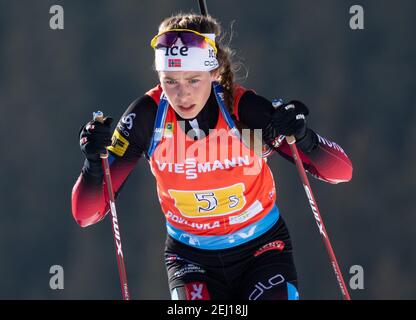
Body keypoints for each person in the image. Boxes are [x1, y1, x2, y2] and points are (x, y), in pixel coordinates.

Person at [71, 13, 353, 300]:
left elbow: (341, 172)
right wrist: (94, 163)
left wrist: (304, 137)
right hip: (190, 260)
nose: (182, 95)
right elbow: (87, 214)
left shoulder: (243, 111)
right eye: (170, 81)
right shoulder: (146, 116)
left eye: (193, 80)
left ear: (214, 73)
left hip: (261, 250)